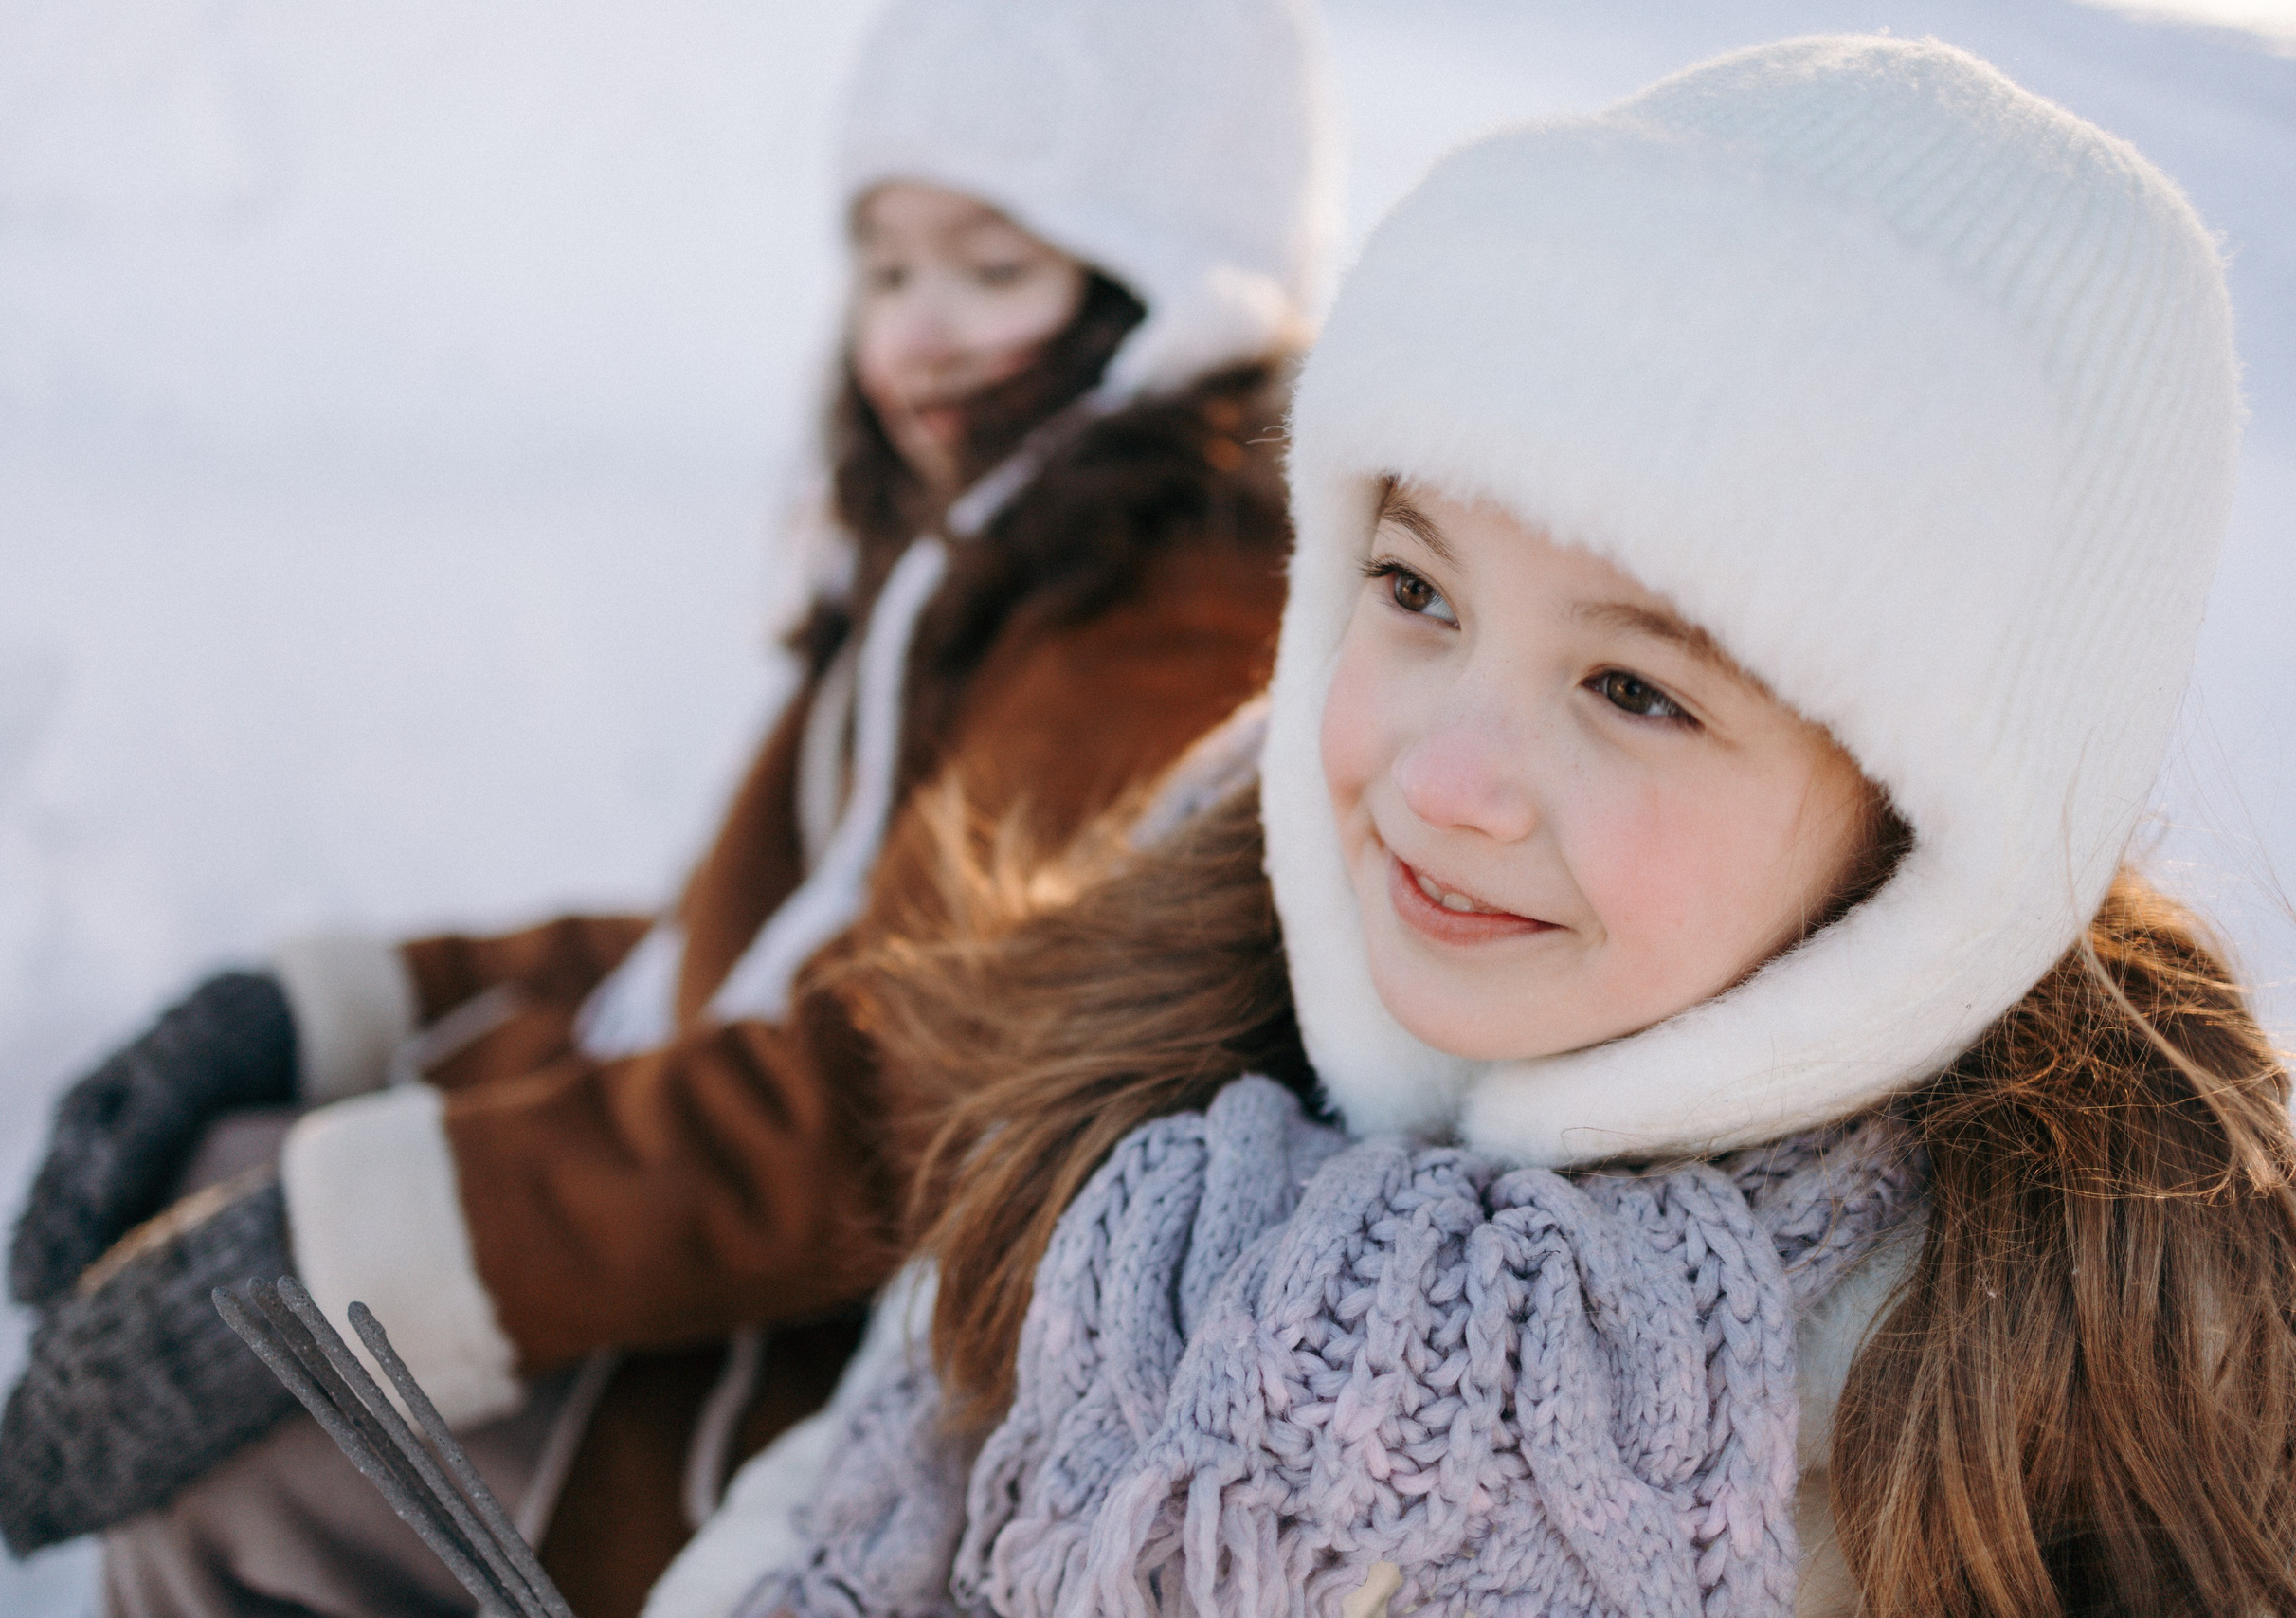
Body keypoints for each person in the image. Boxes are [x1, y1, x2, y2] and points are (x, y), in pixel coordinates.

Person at [741, 34, 2290, 1618]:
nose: (1444, 783)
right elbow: (825, 1485)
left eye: (1633, 691)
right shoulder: (1143, 1037)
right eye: (1417, 592)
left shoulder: (2015, 1443)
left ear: (1924, 839)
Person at [0, 0, 1334, 1613]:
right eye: (887, 270)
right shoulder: (981, 554)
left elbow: (904, 1083)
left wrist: (348, 1249)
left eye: (992, 268)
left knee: (237, 1479)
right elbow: (742, 938)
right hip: (718, 1252)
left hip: (804, 1381)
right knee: (220, 1173)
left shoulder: (1165, 612)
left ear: (1170, 280)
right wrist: (328, 1012)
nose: (915, 336)